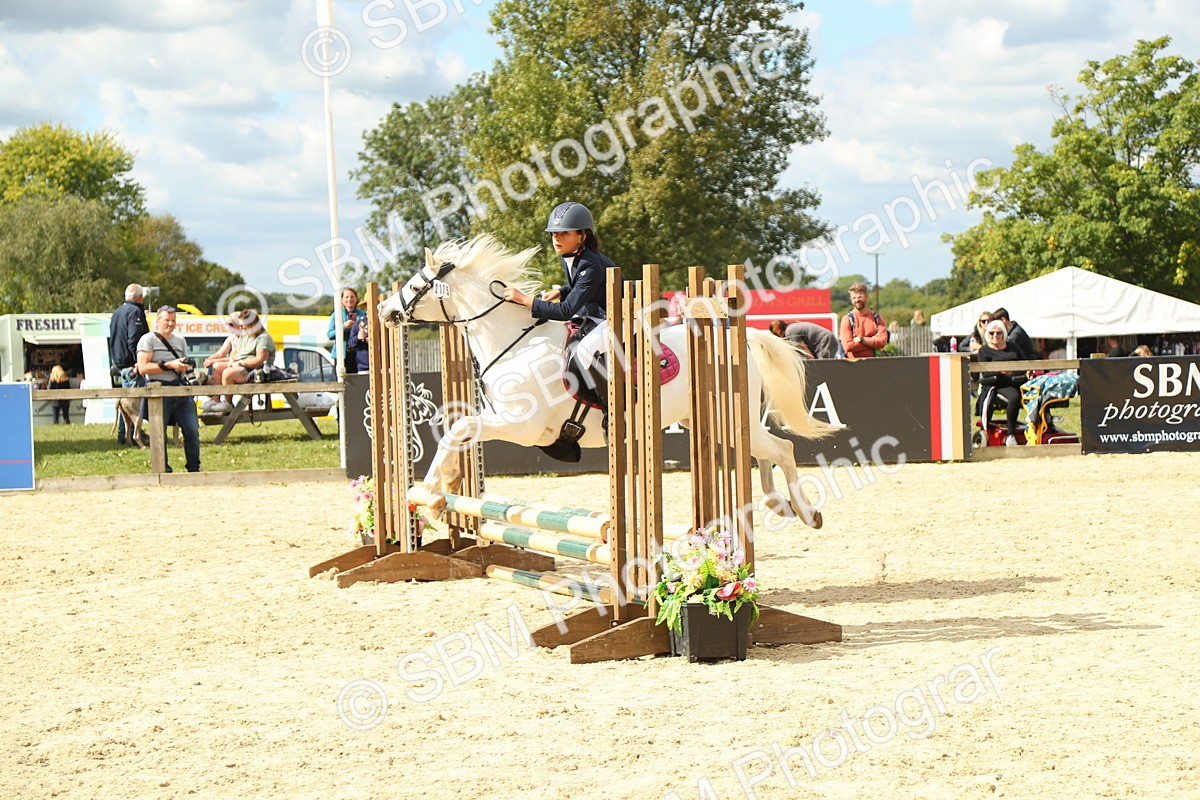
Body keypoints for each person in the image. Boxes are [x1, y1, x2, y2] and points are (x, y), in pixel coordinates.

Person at [502, 201, 613, 430]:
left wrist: (526, 300)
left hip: (618, 316)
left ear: (582, 236)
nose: (556, 238)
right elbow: (582, 286)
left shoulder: (590, 264)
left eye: (564, 233)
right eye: (554, 233)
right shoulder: (572, 255)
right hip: (597, 313)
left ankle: (613, 411)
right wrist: (562, 290)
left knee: (584, 349)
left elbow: (565, 311)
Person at [136, 306, 201, 473]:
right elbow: (143, 368)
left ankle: (194, 470)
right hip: (159, 391)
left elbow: (184, 367)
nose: (171, 324)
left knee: (192, 430)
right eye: (167, 320)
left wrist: (185, 366)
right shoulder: (147, 340)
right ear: (158, 322)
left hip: (180, 390)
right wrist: (169, 365)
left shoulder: (180, 341)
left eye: (173, 321)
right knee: (159, 434)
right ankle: (163, 470)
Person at [202, 309, 276, 413]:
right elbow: (234, 352)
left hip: (255, 371)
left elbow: (260, 360)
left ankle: (228, 403)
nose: (241, 328)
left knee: (227, 373)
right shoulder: (245, 336)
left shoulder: (263, 338)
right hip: (240, 365)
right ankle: (215, 400)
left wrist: (240, 363)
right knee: (217, 366)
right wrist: (232, 361)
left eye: (243, 325)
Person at [109, 283, 150, 441]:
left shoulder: (117, 312)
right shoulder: (135, 312)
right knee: (133, 402)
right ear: (139, 297)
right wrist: (138, 360)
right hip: (131, 364)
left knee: (125, 401)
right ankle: (133, 434)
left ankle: (124, 433)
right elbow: (135, 339)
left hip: (119, 363)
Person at [977, 320, 1027, 446]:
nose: (995, 336)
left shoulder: (1013, 347)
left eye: (998, 333)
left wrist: (1012, 373)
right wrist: (1003, 373)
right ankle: (1011, 434)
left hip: (1017, 381)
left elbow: (1025, 364)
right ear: (987, 334)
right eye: (992, 333)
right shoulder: (984, 351)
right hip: (997, 384)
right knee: (1014, 397)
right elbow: (987, 374)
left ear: (1003, 333)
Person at [839, 281, 888, 359]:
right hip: (853, 365)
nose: (857, 300)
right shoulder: (847, 319)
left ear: (867, 296)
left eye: (860, 296)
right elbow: (848, 346)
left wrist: (862, 340)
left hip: (875, 364)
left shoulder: (877, 318)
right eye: (854, 297)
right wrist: (872, 341)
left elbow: (883, 342)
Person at [328, 287, 367, 375]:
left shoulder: (363, 314)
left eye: (352, 297)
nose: (349, 299)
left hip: (358, 355)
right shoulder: (336, 315)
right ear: (342, 300)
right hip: (341, 355)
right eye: (346, 297)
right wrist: (344, 327)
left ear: (356, 299)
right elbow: (330, 334)